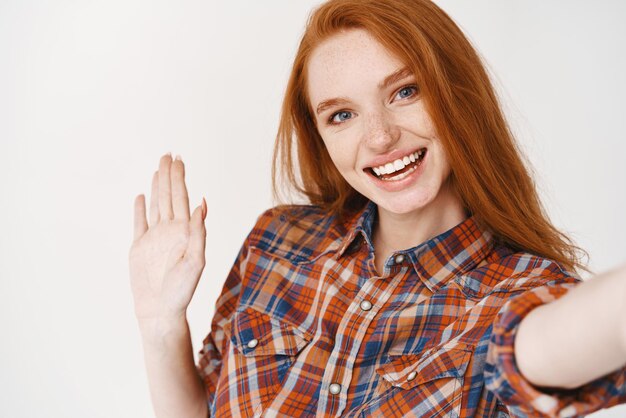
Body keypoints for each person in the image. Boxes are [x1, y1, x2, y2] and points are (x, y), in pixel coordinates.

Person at [128, 0, 626, 416]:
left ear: (457, 94)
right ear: (320, 136)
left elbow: (559, 339)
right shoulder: (279, 240)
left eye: (405, 92)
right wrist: (160, 322)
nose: (380, 137)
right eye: (342, 115)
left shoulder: (519, 292)